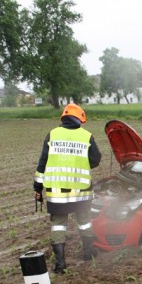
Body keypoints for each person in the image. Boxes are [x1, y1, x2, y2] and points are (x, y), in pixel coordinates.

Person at [33, 103, 102, 273]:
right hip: (81, 190)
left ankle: (60, 264)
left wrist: (37, 186)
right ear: (80, 119)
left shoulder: (52, 135)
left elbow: (43, 163)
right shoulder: (86, 136)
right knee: (85, 222)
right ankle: (88, 253)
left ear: (63, 118)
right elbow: (96, 159)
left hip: (57, 193)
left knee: (58, 225)